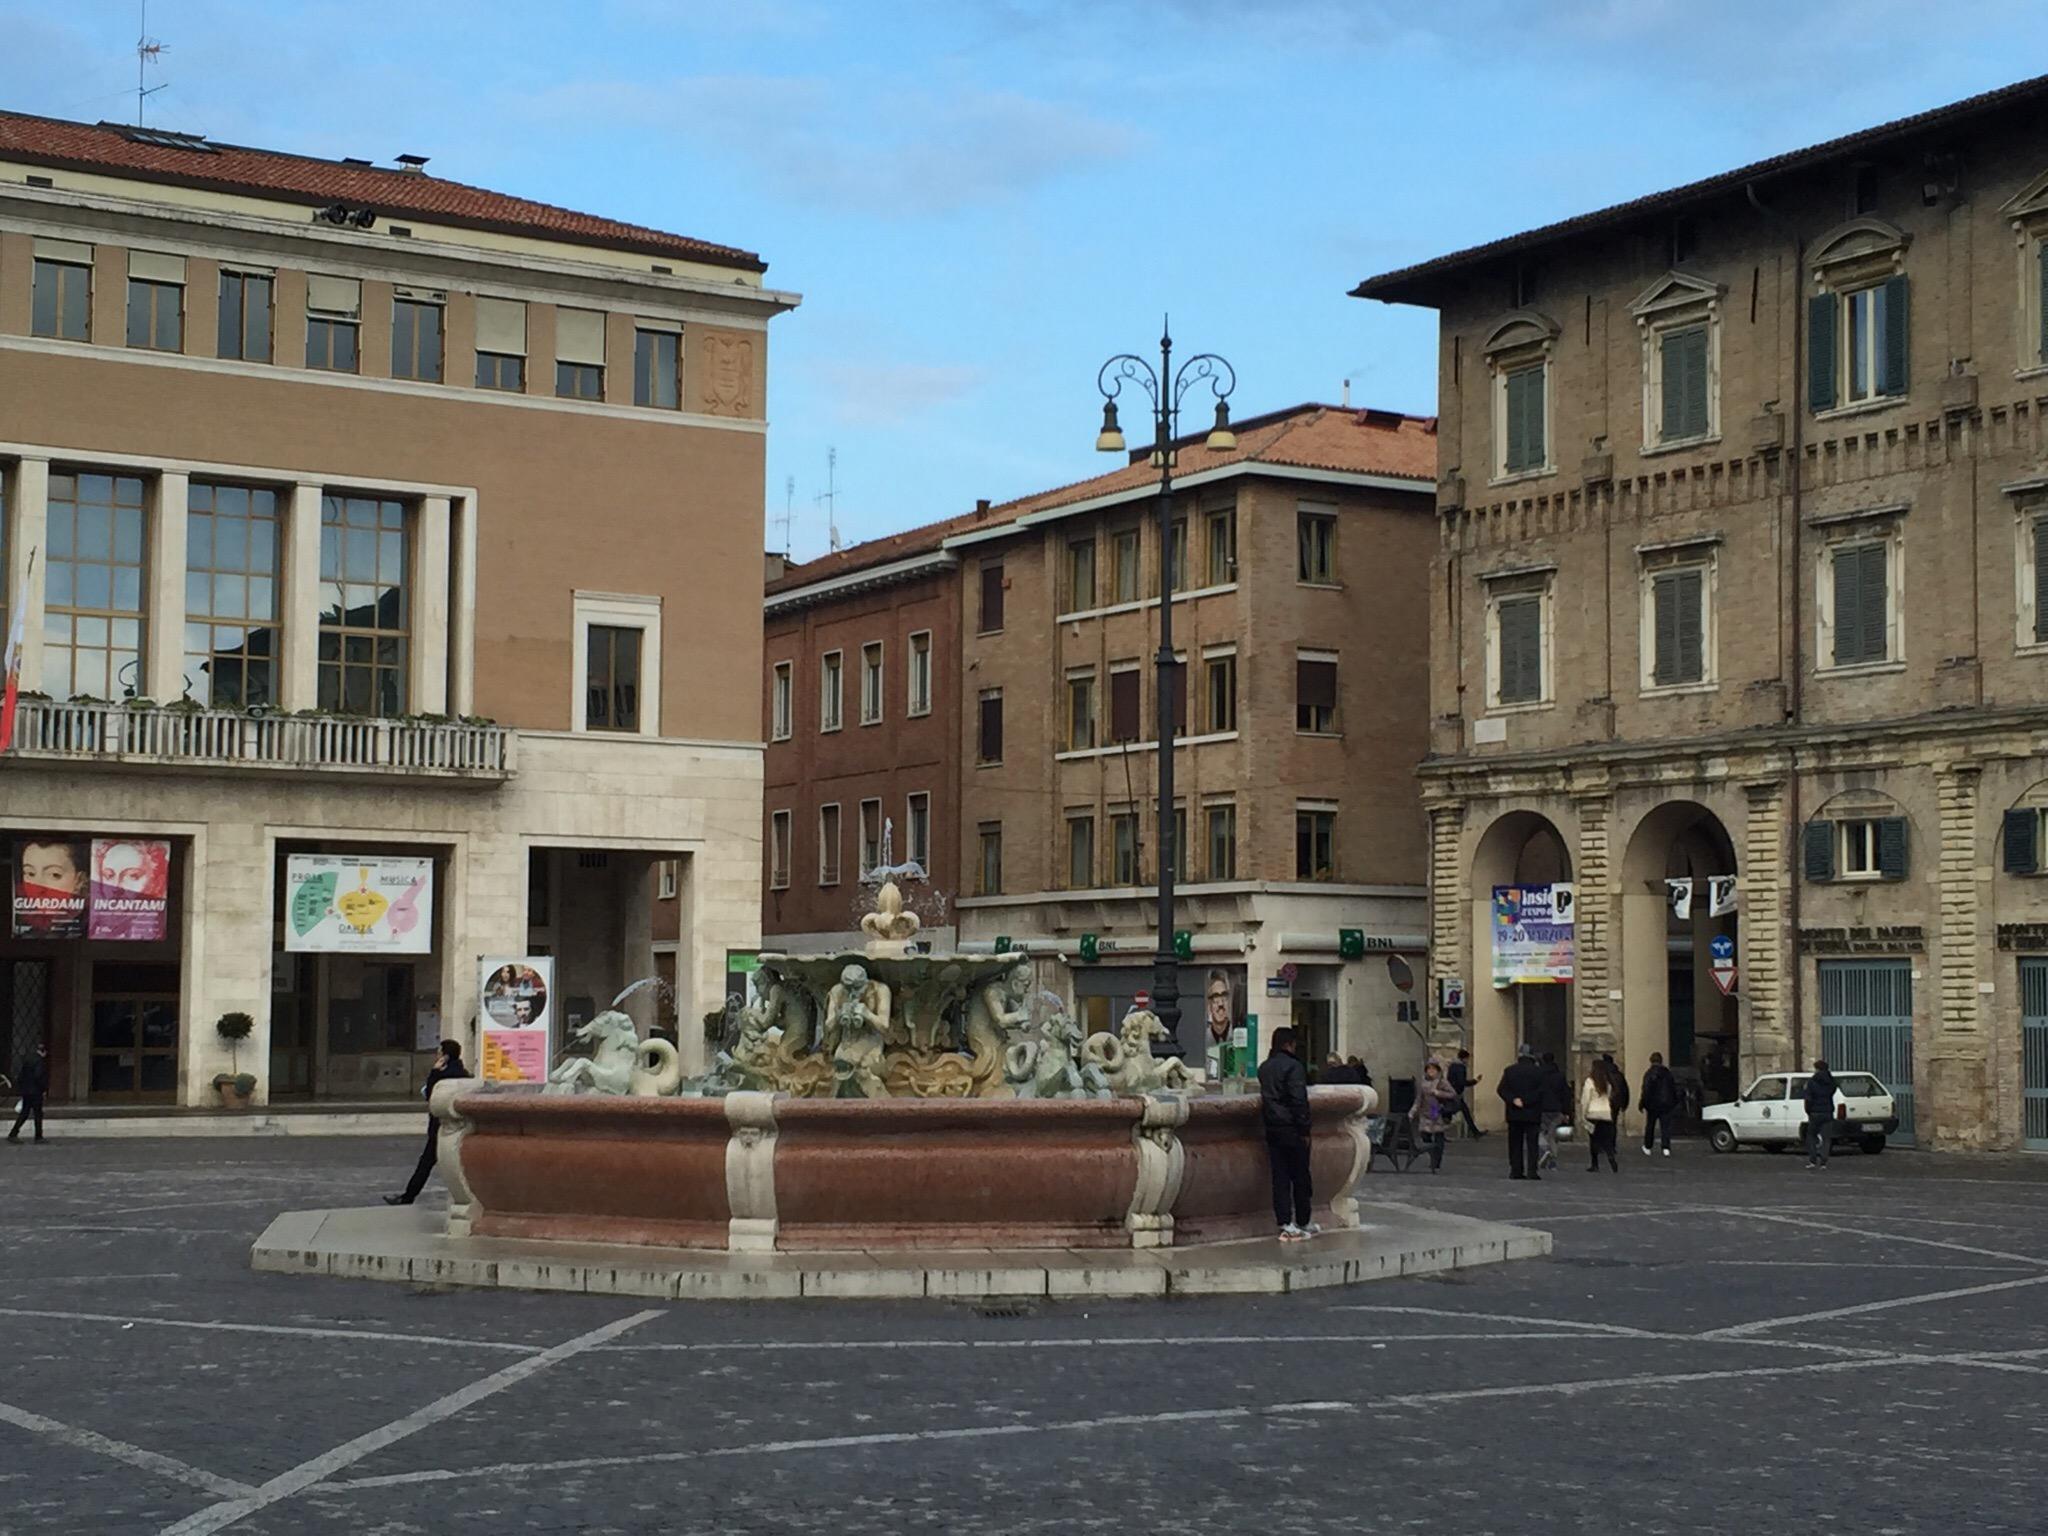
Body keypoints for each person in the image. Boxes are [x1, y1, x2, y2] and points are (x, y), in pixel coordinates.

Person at [385, 1039, 471, 1205]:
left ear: (444, 1056)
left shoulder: (443, 1075)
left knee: (425, 1164)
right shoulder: (463, 1073)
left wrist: (434, 1072)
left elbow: (432, 1095)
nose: (436, 1055)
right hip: (456, 1128)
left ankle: (408, 1196)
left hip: (441, 1127)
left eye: (439, 1052)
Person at [1258, 1026, 1317, 1240]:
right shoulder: (1294, 1067)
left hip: (1272, 1128)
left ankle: (1284, 1221)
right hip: (1292, 1128)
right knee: (1301, 1177)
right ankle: (1303, 1220)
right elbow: (1298, 1100)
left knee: (1280, 1177)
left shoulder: (1264, 1068)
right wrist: (1305, 1129)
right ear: (1289, 1044)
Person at [1495, 1043, 1546, 1180]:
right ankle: (1532, 1171)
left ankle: (1516, 1170)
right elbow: (1542, 1092)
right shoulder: (1539, 1072)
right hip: (1532, 1112)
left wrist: (1513, 1100)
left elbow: (1501, 1090)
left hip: (1514, 1113)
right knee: (1532, 1144)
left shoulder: (1510, 1071)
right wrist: (1527, 1101)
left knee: (1515, 1143)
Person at [1410, 1057, 1458, 1172]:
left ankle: (1437, 1160)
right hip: (1425, 1110)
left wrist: (1439, 1093)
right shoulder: (1423, 1082)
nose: (1431, 1072)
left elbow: (1452, 1094)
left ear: (1438, 1070)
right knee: (1424, 1134)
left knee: (1438, 1134)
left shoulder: (1442, 1081)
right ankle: (1431, 1153)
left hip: (1436, 1109)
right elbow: (1419, 1098)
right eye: (1429, 1069)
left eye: (1433, 1069)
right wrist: (1412, 1111)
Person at [1581, 1059, 1620, 1172]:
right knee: (1606, 1140)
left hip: (1593, 1113)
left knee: (1594, 1140)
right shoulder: (1607, 1082)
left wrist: (1584, 1113)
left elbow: (1586, 1099)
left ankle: (1595, 1164)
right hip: (1605, 1113)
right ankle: (1611, 1157)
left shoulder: (1590, 1082)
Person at [8, 1043, 49, 1144]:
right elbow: (38, 1076)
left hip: (27, 1091)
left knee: (24, 1113)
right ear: (44, 1052)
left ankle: (13, 1133)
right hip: (36, 1092)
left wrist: (23, 1089)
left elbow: (21, 1076)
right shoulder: (39, 1061)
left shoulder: (28, 1059)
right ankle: (38, 1136)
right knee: (38, 1114)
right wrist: (43, 1089)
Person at [1537, 1050, 1570, 1171]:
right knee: (1552, 1136)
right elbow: (1566, 1095)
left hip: (1541, 1108)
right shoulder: (1560, 1076)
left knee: (1540, 1133)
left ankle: (1545, 1150)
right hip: (1556, 1109)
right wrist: (1567, 1112)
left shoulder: (1538, 1075)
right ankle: (1553, 1162)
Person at [1640, 1051, 1679, 1157]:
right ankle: (1666, 1148)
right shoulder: (1668, 1073)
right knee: (1665, 1127)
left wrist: (1642, 1103)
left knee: (1650, 1126)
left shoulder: (1649, 1073)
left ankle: (1648, 1147)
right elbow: (1673, 1089)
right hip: (1666, 1104)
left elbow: (1646, 1090)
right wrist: (1674, 1102)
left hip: (1652, 1104)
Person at [1803, 1058, 1839, 1169]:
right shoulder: (1831, 1082)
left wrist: (1808, 1110)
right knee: (1826, 1138)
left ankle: (1812, 1160)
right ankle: (1824, 1162)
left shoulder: (1812, 1082)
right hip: (1827, 1111)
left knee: (1811, 1136)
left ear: (1817, 1069)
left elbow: (1808, 1098)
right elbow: (1833, 1090)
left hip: (1815, 1112)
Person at [1447, 1048, 1486, 1138]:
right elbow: (1462, 1082)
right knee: (1450, 1113)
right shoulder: (1460, 1067)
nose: (1468, 1061)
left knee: (1450, 1113)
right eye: (1467, 1059)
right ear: (1464, 1058)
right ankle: (1475, 1132)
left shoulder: (1452, 1066)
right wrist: (1475, 1081)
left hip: (1450, 1093)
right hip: (1456, 1095)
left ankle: (1475, 1132)